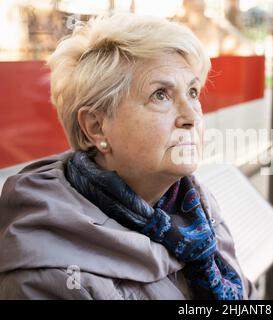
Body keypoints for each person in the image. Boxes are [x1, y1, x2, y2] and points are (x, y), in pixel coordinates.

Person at [0, 13, 257, 300]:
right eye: (161, 95)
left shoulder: (196, 205)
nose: (191, 116)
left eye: (193, 91)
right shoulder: (53, 277)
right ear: (96, 127)